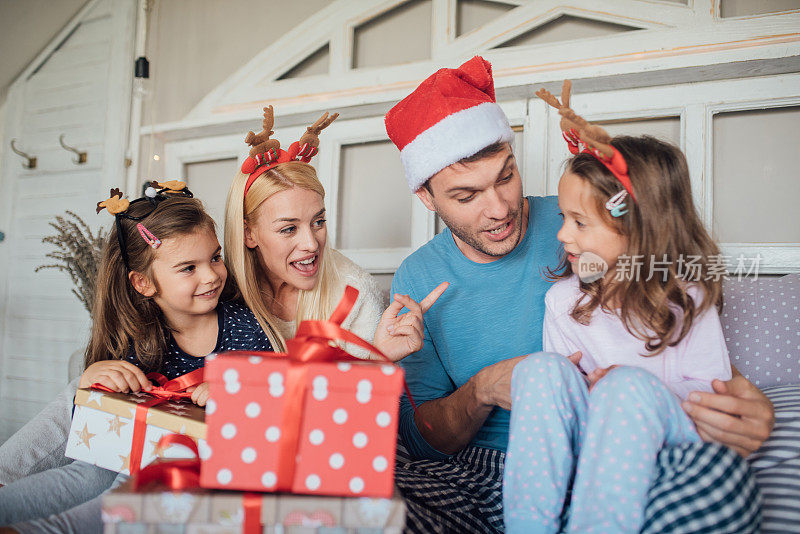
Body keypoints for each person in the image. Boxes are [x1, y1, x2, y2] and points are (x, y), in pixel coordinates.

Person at [384, 56, 773, 533]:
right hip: (477, 474)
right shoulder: (418, 277)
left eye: (506, 176)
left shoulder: (587, 219)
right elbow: (423, 443)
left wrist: (749, 405)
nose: (499, 208)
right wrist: (485, 387)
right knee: (376, 500)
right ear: (427, 196)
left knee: (724, 485)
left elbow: (671, 314)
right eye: (467, 196)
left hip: (612, 452)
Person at [503, 84, 755, 533]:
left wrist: (623, 390)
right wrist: (588, 388)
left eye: (580, 222)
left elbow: (709, 404)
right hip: (592, 450)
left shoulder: (686, 299)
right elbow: (561, 398)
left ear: (638, 229)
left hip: (675, 449)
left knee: (626, 389)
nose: (562, 235)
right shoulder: (563, 301)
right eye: (563, 218)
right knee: (538, 369)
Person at [0, 186, 273, 533]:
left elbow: (270, 402)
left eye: (215, 258)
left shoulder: (246, 327)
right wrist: (94, 381)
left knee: (130, 484)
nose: (211, 275)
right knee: (85, 472)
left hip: (196, 463)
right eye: (188, 267)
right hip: (123, 449)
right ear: (143, 283)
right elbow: (92, 430)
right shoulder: (138, 333)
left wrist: (235, 392)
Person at [224, 106, 446, 361]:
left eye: (318, 221)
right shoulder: (220, 292)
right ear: (248, 234)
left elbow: (364, 398)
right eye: (288, 229)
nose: (311, 244)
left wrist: (378, 360)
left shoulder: (354, 291)